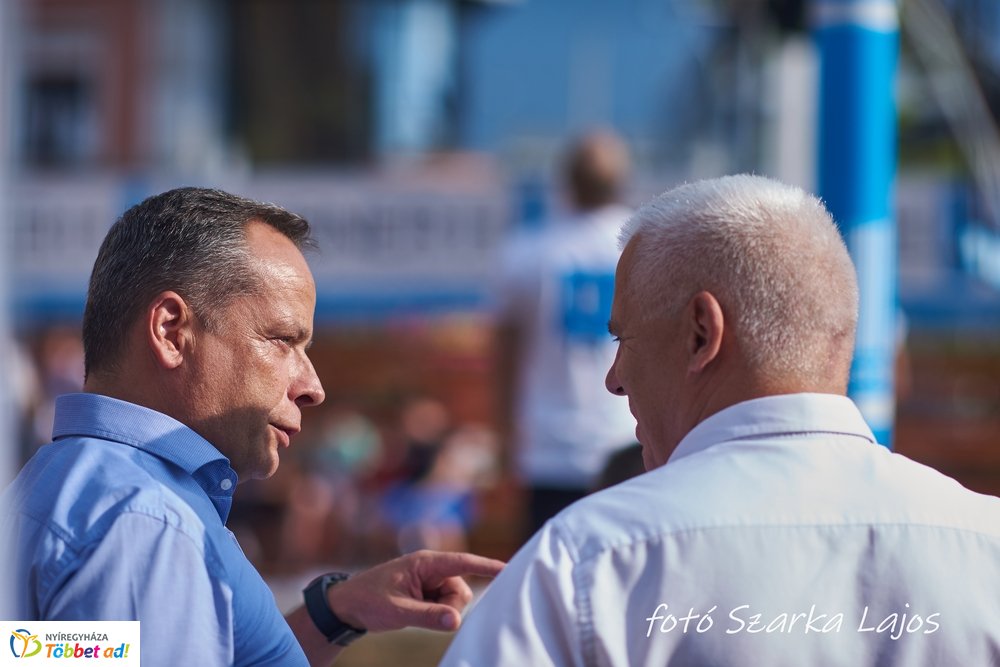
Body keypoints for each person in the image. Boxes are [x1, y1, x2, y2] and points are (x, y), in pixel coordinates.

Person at [441, 175, 1000, 666]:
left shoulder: (589, 565)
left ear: (701, 334)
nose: (614, 378)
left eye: (623, 339)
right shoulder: (984, 547)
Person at [0, 188, 504, 666]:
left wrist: (335, 612)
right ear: (172, 332)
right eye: (283, 340)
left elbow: (90, 650)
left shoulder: (66, 487)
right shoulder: (149, 522)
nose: (313, 385)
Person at [495, 129, 637, 536]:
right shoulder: (641, 246)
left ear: (567, 182)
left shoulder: (527, 251)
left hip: (548, 445)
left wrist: (505, 437)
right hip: (625, 435)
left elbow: (504, 354)